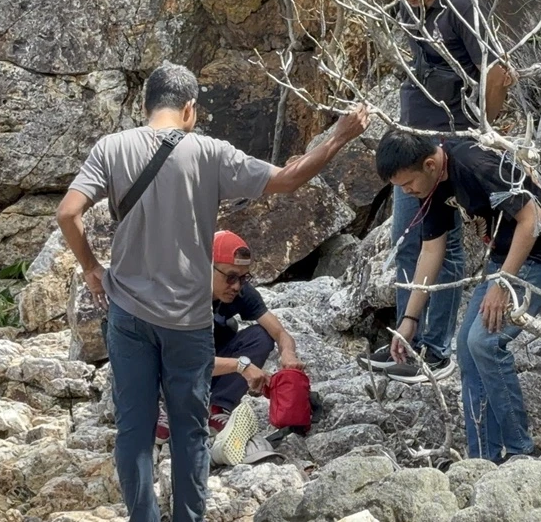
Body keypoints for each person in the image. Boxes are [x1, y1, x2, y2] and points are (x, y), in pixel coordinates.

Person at [56, 62, 369, 522]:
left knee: (134, 431)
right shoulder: (210, 153)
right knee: (190, 432)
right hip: (187, 322)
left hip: (128, 315)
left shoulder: (111, 148)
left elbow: (68, 213)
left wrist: (90, 268)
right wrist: (339, 136)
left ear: (146, 106)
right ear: (190, 109)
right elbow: (289, 178)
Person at [375, 128, 541, 463]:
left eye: (407, 184)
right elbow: (431, 250)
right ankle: (483, 459)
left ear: (429, 164)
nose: (407, 192)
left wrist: (502, 284)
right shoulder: (431, 182)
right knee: (467, 349)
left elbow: (533, 218)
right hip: (504, 254)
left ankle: (523, 452)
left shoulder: (474, 164)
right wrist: (409, 320)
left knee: (484, 343)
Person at [357, 0, 516, 383]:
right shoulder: (409, 6)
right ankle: (406, 341)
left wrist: (482, 128)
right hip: (413, 137)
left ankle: (436, 350)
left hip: (447, 140)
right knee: (407, 239)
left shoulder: (459, 4)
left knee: (442, 245)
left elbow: (497, 70)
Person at [154, 230, 304, 449]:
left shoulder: (240, 291)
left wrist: (288, 353)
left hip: (207, 362)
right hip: (171, 368)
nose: (236, 286)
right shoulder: (181, 295)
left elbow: (279, 332)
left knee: (260, 336)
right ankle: (164, 407)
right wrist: (242, 366)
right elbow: (186, 360)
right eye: (231, 277)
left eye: (243, 278)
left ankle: (218, 408)